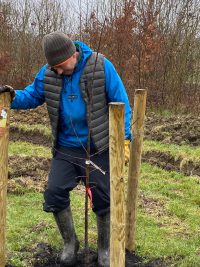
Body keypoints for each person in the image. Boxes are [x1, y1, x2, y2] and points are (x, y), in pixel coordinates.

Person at [0, 31, 132, 267]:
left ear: (73, 54)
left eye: (61, 66)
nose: (57, 71)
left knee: (104, 197)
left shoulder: (101, 66)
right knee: (54, 192)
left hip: (98, 147)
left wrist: (124, 140)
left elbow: (121, 103)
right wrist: (13, 96)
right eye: (54, 67)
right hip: (66, 149)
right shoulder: (49, 72)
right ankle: (71, 244)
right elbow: (32, 95)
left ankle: (104, 249)